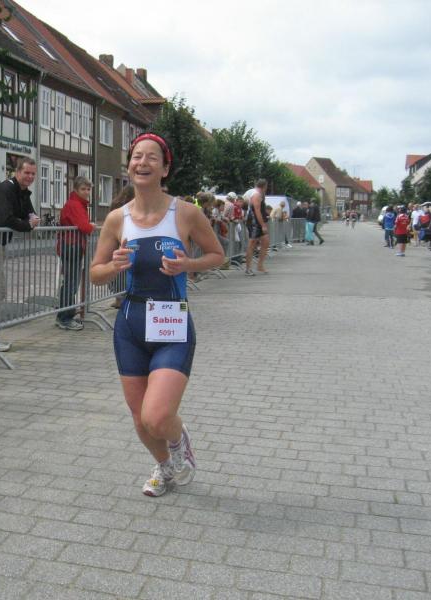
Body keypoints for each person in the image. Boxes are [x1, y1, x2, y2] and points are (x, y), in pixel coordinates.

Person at [90, 133, 223, 497]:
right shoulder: (117, 219)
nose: (142, 162)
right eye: (136, 156)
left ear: (165, 169)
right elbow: (95, 273)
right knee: (140, 419)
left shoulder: (186, 213)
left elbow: (217, 255)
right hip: (130, 326)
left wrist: (188, 265)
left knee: (157, 415)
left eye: (152, 157)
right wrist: (114, 266)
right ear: (129, 166)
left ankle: (180, 444)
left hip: (171, 323)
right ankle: (164, 467)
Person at [0, 157, 40, 352]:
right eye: (26, 172)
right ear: (17, 172)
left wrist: (32, 218)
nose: (29, 177)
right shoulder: (6, 189)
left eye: (33, 174)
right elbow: (6, 219)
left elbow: (30, 212)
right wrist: (28, 225)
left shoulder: (22, 191)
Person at [56, 176, 94, 331]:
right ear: (76, 190)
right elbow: (84, 226)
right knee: (71, 284)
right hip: (71, 246)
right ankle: (64, 317)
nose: (86, 192)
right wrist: (91, 226)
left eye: (88, 189)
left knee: (71, 282)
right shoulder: (75, 204)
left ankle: (66, 314)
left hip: (72, 245)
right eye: (83, 189)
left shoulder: (77, 203)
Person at [243, 179, 269, 275]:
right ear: (264, 186)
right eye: (266, 186)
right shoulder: (256, 195)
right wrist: (263, 225)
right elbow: (257, 211)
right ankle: (248, 268)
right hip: (254, 221)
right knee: (252, 243)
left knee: (265, 241)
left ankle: (260, 265)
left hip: (257, 220)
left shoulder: (256, 193)